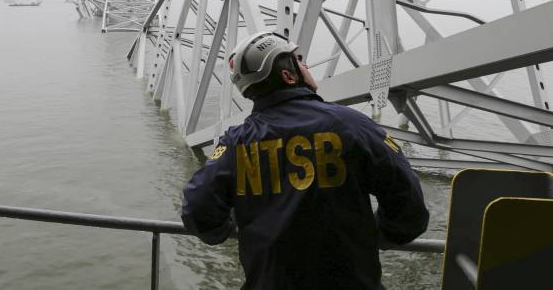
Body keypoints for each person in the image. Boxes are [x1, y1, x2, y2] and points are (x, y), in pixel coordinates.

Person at [181, 32, 429, 290]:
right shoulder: (351, 125)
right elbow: (409, 205)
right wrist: (381, 234)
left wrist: (227, 229)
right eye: (299, 61)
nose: (306, 65)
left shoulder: (236, 143)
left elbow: (198, 210)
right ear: (289, 76)